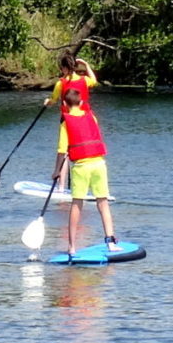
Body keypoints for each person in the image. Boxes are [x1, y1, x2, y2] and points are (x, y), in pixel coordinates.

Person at [52, 86, 124, 257]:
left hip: (80, 167)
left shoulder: (65, 123)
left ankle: (72, 246)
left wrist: (56, 171)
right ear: (81, 102)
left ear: (64, 104)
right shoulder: (92, 116)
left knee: (77, 204)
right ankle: (111, 242)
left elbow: (62, 151)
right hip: (99, 164)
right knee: (103, 203)